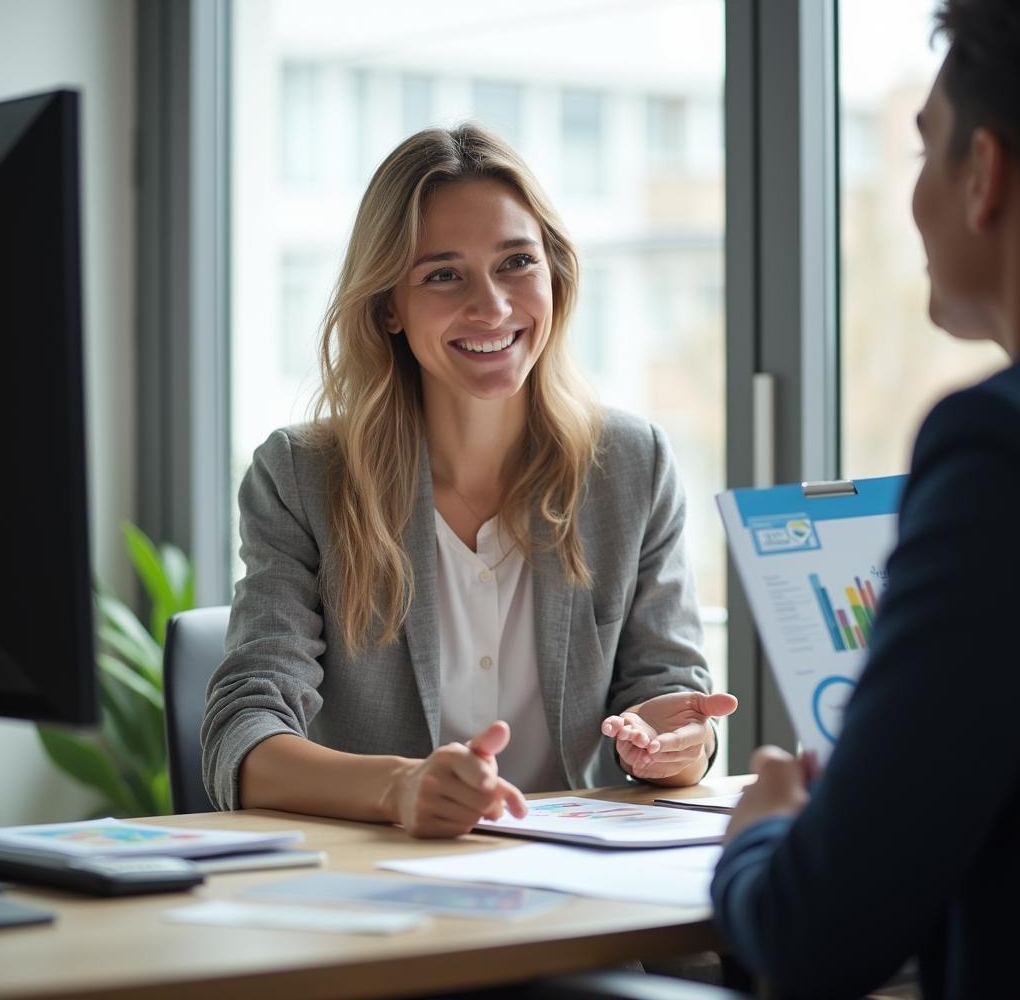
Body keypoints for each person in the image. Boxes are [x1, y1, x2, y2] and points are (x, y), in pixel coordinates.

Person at [202, 123, 737, 838]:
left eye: (516, 262)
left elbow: (670, 696)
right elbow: (242, 733)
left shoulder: (632, 467)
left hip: (580, 900)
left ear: (555, 273)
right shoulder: (302, 476)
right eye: (444, 274)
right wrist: (400, 788)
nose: (492, 306)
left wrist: (674, 744)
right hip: (382, 901)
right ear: (388, 304)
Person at [711, 0, 1020, 996]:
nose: (915, 193)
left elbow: (816, 930)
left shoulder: (992, 451)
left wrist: (758, 837)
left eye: (922, 149)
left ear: (984, 174)